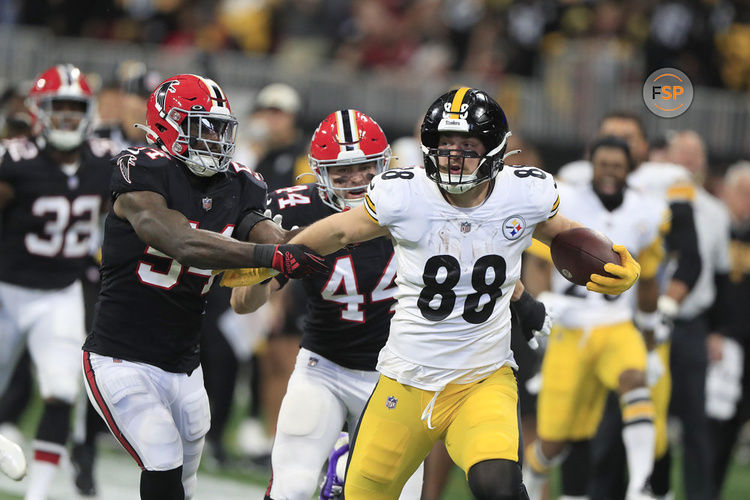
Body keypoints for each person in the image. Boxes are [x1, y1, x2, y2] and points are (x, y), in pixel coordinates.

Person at [287, 87, 640, 499]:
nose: (454, 156)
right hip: (406, 379)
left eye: (467, 146)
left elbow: (565, 235)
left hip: (481, 379)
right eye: (445, 144)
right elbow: (339, 230)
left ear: (493, 149)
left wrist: (616, 260)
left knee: (499, 488)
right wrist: (273, 257)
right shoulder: (405, 194)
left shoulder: (522, 194)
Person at [80, 73, 326, 500]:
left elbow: (259, 227)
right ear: (166, 124)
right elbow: (182, 242)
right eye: (200, 126)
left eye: (217, 127)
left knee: (185, 484)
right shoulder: (141, 168)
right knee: (161, 455)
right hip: (120, 358)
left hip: (184, 366)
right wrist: (269, 258)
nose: (212, 137)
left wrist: (295, 247)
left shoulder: (240, 182)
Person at [231, 108, 424, 499]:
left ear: (383, 164)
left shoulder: (416, 202)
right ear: (320, 172)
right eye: (342, 171)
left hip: (399, 375)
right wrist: (270, 261)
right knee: (294, 487)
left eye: (365, 168)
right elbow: (242, 303)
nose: (355, 179)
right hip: (326, 367)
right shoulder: (294, 210)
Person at [522, 136, 668, 500]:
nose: (609, 172)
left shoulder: (646, 210)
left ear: (629, 168)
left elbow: (648, 281)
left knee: (635, 381)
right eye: (603, 164)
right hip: (570, 328)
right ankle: (534, 472)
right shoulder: (566, 200)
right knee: (553, 442)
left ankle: (640, 484)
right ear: (592, 163)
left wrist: (649, 343)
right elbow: (538, 261)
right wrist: (542, 304)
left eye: (617, 166)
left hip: (617, 323)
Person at [0, 64, 119, 500]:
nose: (67, 116)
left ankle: (40, 493)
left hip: (62, 292)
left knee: (60, 390)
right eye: (58, 106)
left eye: (75, 107)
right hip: (6, 290)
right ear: (39, 111)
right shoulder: (15, 160)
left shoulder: (107, 160)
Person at [710, 161, 750, 498]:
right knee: (713, 424)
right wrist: (714, 329)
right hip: (720, 340)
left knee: (734, 423)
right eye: (743, 193)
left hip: (746, 344)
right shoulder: (714, 227)